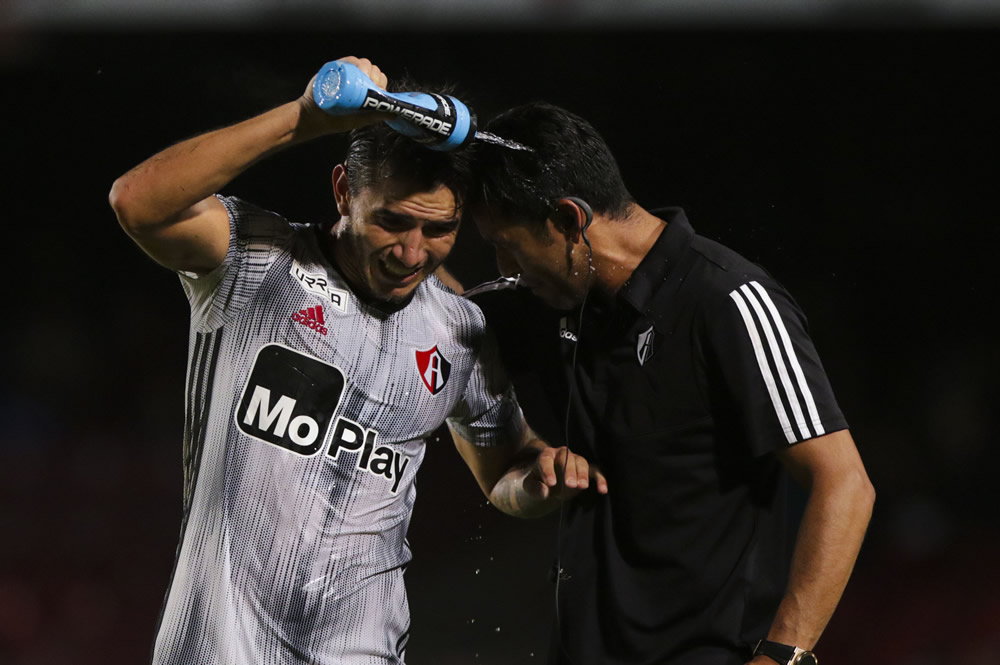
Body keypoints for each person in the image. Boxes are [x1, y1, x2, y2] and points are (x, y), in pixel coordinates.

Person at [108, 58, 605, 665]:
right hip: (218, 648)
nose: (411, 252)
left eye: (439, 230)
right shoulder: (257, 262)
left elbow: (506, 468)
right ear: (345, 191)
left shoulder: (458, 329)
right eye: (391, 222)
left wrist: (539, 481)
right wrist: (304, 117)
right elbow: (138, 201)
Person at [466, 102, 875, 665]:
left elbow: (845, 484)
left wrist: (783, 656)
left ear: (567, 220)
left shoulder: (727, 299)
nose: (505, 265)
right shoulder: (568, 296)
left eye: (507, 244)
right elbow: (439, 305)